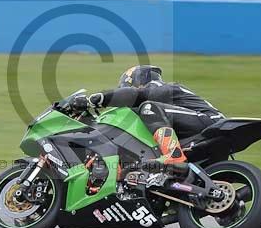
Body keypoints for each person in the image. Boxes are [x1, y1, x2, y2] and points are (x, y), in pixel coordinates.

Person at [73, 65, 225, 182]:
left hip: (210, 121)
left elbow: (136, 96)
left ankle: (173, 155)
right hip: (201, 135)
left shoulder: (160, 88)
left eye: (127, 88)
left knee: (148, 108)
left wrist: (98, 99)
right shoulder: (164, 108)